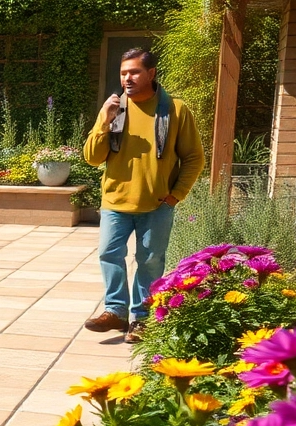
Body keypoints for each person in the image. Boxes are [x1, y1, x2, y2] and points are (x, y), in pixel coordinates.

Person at [82, 48, 205, 342]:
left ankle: (142, 318)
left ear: (151, 74)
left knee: (150, 261)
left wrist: (176, 195)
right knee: (109, 254)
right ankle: (115, 311)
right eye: (124, 73)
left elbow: (194, 157)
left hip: (157, 204)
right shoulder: (114, 108)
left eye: (134, 72)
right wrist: (103, 121)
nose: (128, 78)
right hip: (115, 201)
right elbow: (91, 157)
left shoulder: (175, 110)